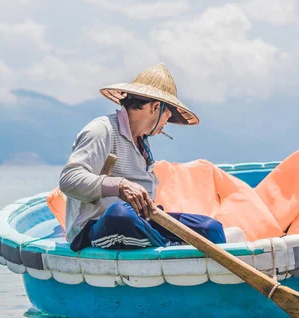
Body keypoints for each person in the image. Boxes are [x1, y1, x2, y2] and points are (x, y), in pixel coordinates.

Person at [59, 63, 226, 251]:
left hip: (139, 224)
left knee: (209, 228)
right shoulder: (101, 130)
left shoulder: (143, 143)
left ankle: (172, 247)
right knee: (120, 215)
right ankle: (170, 248)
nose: (167, 121)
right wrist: (119, 185)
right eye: (168, 114)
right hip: (98, 228)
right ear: (155, 107)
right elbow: (68, 180)